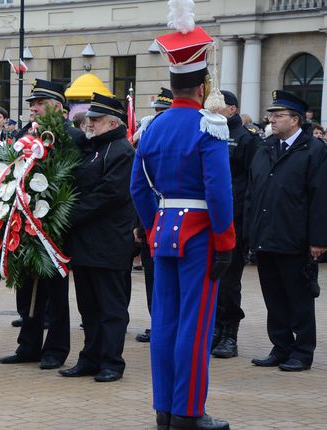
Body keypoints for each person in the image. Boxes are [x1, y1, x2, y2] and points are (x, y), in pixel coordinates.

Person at [130, 17, 234, 430]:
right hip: (200, 234)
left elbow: (138, 187)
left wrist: (152, 225)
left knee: (165, 323)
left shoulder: (152, 127)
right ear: (203, 85)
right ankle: (188, 412)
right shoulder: (209, 125)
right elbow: (219, 193)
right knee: (196, 323)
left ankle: (164, 408)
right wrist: (225, 242)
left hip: (164, 231)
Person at [0, 79, 84, 370]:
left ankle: (56, 348)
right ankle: (28, 345)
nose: (33, 108)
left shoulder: (72, 136)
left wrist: (52, 208)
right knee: (25, 288)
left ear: (59, 107)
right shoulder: (26, 134)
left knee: (55, 292)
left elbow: (74, 181)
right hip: (24, 223)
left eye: (39, 103)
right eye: (32, 103)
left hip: (54, 225)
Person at [247, 90, 327, 372]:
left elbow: (320, 198)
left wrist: (318, 240)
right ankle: (280, 347)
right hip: (266, 236)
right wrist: (250, 232)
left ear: (295, 120)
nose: (272, 119)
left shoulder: (313, 150)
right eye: (271, 115)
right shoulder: (266, 147)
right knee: (273, 296)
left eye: (278, 115)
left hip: (295, 238)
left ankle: (303, 351)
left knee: (299, 297)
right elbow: (253, 193)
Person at [59, 93, 135, 382]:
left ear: (112, 122)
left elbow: (110, 194)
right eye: (89, 119)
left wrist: (69, 213)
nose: (89, 123)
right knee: (88, 307)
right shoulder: (93, 149)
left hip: (109, 243)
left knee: (111, 308)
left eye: (95, 119)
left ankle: (111, 362)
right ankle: (89, 357)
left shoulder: (122, 150)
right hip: (85, 242)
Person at [209, 90, 263, 358]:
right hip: (210, 218)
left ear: (232, 109)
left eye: (217, 107)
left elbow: (252, 182)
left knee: (229, 281)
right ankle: (215, 329)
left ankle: (230, 333)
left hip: (234, 220)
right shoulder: (210, 133)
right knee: (213, 278)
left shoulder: (245, 139)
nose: (211, 111)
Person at [133, 86, 173, 343]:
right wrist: (142, 224)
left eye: (163, 111)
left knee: (169, 278)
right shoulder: (146, 140)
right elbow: (139, 187)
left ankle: (168, 324)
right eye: (156, 111)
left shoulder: (175, 142)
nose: (158, 116)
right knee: (151, 277)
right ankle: (156, 321)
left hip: (174, 221)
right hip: (150, 223)